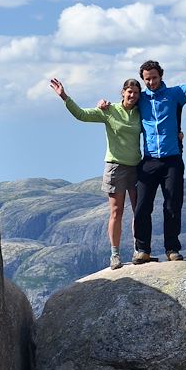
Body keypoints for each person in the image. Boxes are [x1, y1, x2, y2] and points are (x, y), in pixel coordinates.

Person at [103, 43, 186, 264]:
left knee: (172, 205)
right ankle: (143, 250)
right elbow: (124, 102)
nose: (151, 82)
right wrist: (104, 105)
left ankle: (172, 249)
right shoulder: (141, 99)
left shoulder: (174, 94)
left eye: (154, 77)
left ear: (161, 76)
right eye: (147, 79)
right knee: (141, 207)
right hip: (149, 161)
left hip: (172, 160)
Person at [49, 77, 142, 270]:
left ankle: (138, 250)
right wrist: (64, 96)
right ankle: (115, 255)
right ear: (122, 93)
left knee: (138, 211)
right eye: (129, 92)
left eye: (135, 92)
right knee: (116, 212)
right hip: (116, 166)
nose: (132, 95)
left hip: (136, 167)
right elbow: (81, 115)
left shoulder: (141, 112)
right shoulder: (109, 111)